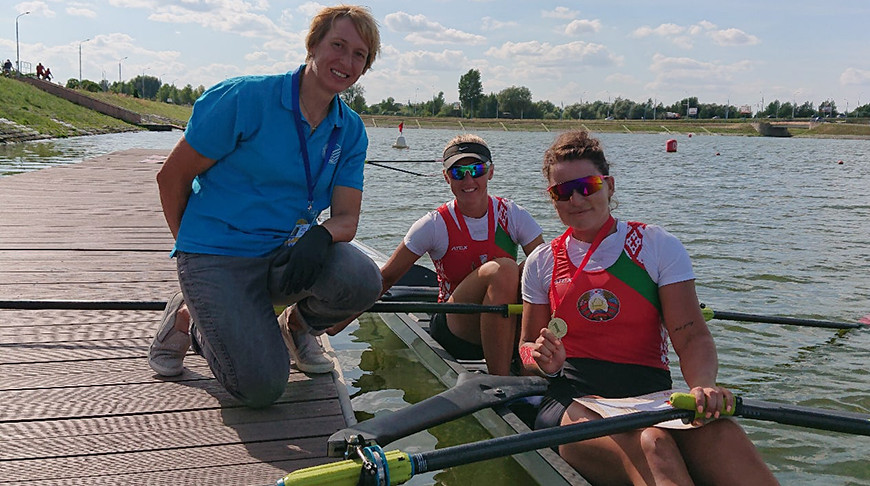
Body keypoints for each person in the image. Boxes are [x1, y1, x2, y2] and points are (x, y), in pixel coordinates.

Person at [147, 5, 383, 409]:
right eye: (338, 45)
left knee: (362, 279)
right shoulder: (245, 98)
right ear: (313, 45)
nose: (345, 61)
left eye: (359, 54)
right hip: (216, 255)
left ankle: (295, 326)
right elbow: (171, 178)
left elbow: (347, 217)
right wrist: (193, 255)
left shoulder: (351, 129)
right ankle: (191, 310)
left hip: (283, 254)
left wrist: (320, 236)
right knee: (261, 388)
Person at [520, 130, 778, 484]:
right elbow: (525, 348)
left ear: (609, 185)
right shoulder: (541, 262)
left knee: (725, 435)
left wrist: (703, 386)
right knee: (654, 444)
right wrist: (543, 362)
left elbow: (691, 337)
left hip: (650, 397)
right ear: (552, 198)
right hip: (572, 400)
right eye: (562, 191)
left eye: (588, 185)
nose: (576, 199)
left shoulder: (657, 247)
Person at [374, 134, 544, 375]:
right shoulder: (433, 224)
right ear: (446, 177)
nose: (468, 179)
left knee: (538, 265)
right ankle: (502, 379)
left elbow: (548, 273)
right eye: (457, 172)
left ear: (490, 172)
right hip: (455, 329)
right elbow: (386, 278)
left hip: (504, 323)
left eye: (476, 170)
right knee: (504, 268)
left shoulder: (513, 215)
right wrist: (334, 319)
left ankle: (530, 364)